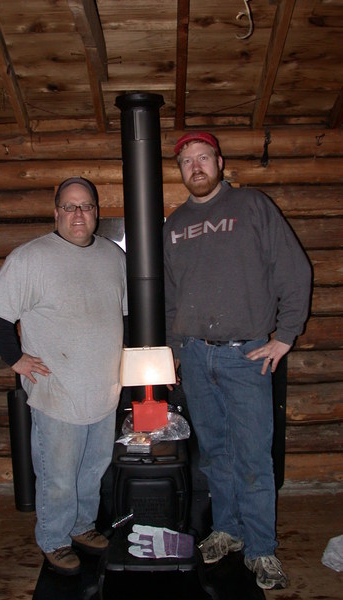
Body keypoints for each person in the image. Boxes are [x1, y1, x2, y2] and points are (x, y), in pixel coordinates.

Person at [163, 132, 311, 590]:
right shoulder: (174, 224)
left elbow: (295, 270)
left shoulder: (252, 206)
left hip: (246, 357)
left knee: (252, 457)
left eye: (203, 157)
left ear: (219, 161)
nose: (196, 167)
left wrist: (284, 336)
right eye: (187, 161)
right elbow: (171, 296)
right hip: (194, 354)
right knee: (215, 454)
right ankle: (227, 530)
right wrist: (173, 351)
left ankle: (262, 549)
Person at [0, 177, 127, 576]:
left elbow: (122, 313)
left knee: (92, 469)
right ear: (56, 211)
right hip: (57, 391)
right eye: (69, 206)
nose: (78, 214)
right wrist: (16, 360)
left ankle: (80, 527)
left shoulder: (114, 257)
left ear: (97, 211)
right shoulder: (30, 258)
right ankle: (55, 539)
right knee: (58, 475)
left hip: (103, 389)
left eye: (86, 206)